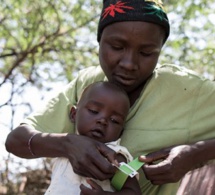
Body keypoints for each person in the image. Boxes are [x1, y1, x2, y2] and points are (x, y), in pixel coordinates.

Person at [5, 0, 215, 194]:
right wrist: (67, 144)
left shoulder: (189, 91)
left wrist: (195, 154)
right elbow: (17, 140)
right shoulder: (88, 83)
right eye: (117, 47)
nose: (129, 63)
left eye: (146, 53)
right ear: (99, 41)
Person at [45, 81, 141, 194]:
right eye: (94, 111)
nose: (103, 121)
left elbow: (133, 192)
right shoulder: (63, 146)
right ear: (74, 114)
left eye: (114, 120)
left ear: (121, 131)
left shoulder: (113, 155)